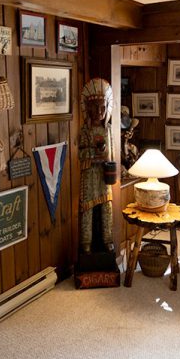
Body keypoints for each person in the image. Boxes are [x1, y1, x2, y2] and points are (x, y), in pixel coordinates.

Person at [79, 78, 114, 254]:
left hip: (104, 175)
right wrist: (93, 154)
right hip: (89, 175)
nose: (99, 112)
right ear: (88, 108)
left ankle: (108, 239)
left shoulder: (108, 130)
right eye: (94, 108)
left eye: (102, 107)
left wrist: (106, 156)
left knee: (107, 207)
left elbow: (111, 155)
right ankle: (86, 242)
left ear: (107, 108)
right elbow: (80, 154)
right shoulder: (85, 131)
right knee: (88, 209)